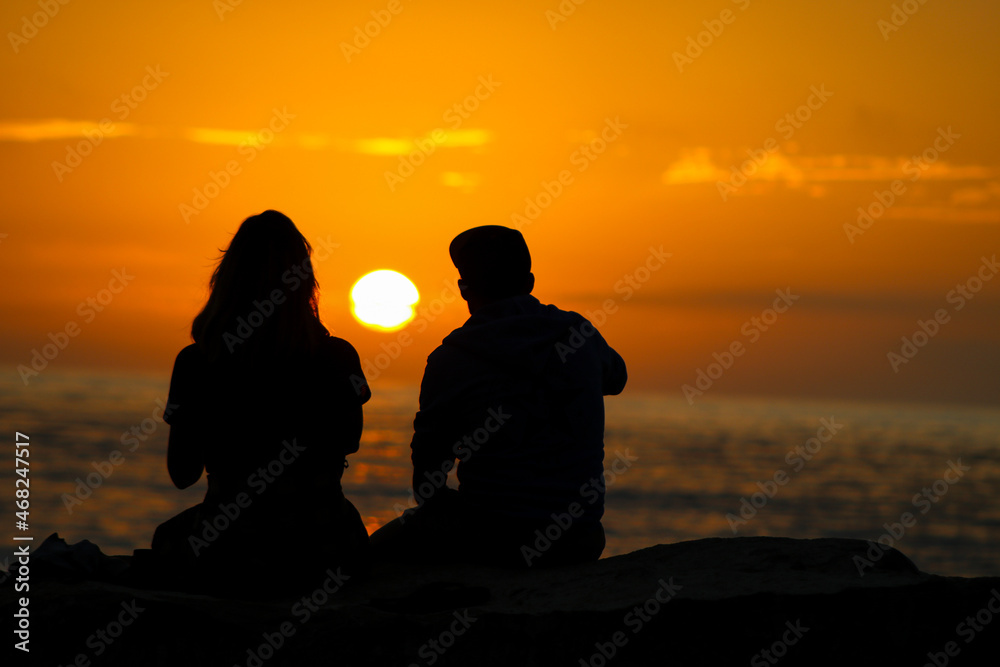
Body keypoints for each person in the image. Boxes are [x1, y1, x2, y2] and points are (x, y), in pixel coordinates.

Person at [371, 225, 627, 568]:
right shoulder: (578, 334)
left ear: (465, 289)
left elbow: (427, 477)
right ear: (530, 282)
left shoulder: (452, 358)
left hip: (491, 540)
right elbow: (617, 378)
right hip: (579, 538)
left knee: (362, 565)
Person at [145, 210, 371, 595]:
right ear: (305, 283)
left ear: (226, 280)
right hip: (324, 545)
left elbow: (182, 473)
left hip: (230, 546)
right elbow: (349, 442)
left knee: (167, 540)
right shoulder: (339, 357)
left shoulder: (196, 362)